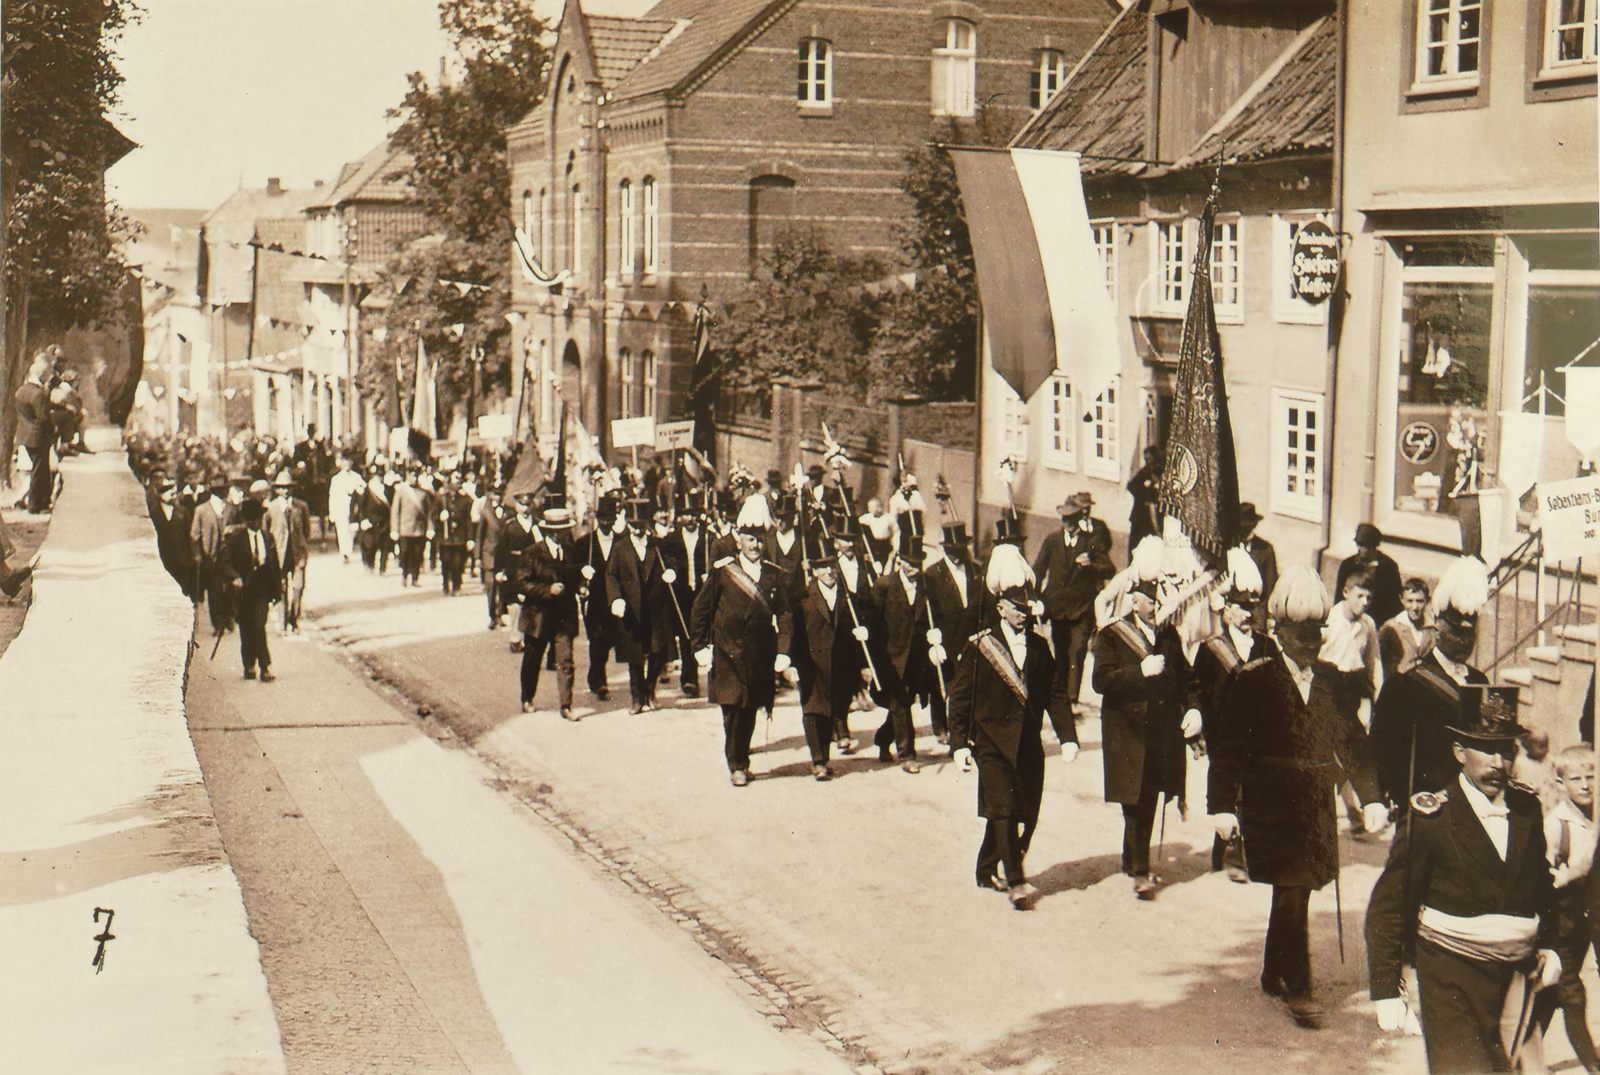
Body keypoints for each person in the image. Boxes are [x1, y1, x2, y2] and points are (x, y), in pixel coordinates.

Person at [1209, 567, 1389, 1029]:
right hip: (1269, 802)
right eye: (1298, 631)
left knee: (1300, 889)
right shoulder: (1252, 680)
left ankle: (1274, 969)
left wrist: (1370, 797)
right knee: (1291, 887)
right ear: (1277, 631)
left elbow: (1354, 742)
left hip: (1314, 803)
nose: (1308, 640)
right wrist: (1224, 805)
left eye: (1315, 631)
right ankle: (1301, 985)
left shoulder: (1333, 682)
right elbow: (1229, 746)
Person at [1366, 686, 1562, 1072]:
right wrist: (1386, 990)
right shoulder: (1432, 818)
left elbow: (1542, 887)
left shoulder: (1526, 809)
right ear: (1459, 752)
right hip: (1451, 979)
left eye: (1507, 750)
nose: (1498, 762)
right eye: (1486, 749)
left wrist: (1551, 946)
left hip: (1517, 979)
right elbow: (1390, 905)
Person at [948, 539, 1062, 909]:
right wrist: (960, 744)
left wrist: (1070, 736)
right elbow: (960, 698)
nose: (1024, 614)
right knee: (1005, 807)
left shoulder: (1041, 647)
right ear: (1000, 607)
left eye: (1027, 607)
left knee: (1025, 811)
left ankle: (986, 866)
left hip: (1027, 742)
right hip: (992, 742)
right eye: (1016, 608)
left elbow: (1055, 694)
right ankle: (1016, 880)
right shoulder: (981, 647)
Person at [1092, 536, 1192, 899]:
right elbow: (1101, 681)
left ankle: (1135, 861)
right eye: (1151, 601)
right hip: (1125, 729)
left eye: (1159, 600)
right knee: (1132, 799)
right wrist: (1140, 673)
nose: (1156, 607)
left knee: (1147, 796)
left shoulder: (1169, 637)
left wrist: (1193, 709)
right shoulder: (1113, 635)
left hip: (1159, 732)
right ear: (1135, 600)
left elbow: (1186, 680)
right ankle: (1139, 866)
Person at [690, 493, 795, 787]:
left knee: (748, 710)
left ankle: (741, 757)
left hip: (758, 656)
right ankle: (737, 763)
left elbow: (785, 614)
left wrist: (784, 651)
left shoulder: (774, 576)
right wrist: (699, 646)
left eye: (760, 539)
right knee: (732, 709)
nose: (755, 545)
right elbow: (701, 610)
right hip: (727, 653)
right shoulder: (724, 573)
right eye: (750, 539)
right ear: (739, 540)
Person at [1370, 556, 1490, 808]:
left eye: (1470, 632)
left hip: (1470, 808)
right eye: (1456, 630)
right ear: (1437, 626)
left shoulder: (1480, 682)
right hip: (1423, 808)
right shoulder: (1405, 684)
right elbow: (1383, 751)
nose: (1463, 640)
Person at [1192, 547, 1278, 881]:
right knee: (1228, 784)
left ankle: (1241, 852)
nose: (1246, 614)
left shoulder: (1266, 646)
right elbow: (1198, 689)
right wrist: (1196, 721)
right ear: (1226, 609)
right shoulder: (1212, 647)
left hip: (1257, 731)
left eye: (1251, 608)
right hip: (1222, 729)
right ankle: (1223, 844)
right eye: (1240, 608)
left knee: (1251, 786)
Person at [1533, 744, 1599, 1071]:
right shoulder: (1557, 823)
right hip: (1564, 917)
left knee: (1549, 994)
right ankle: (1593, 1064)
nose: (1586, 785)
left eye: (1591, 776)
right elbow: (1544, 879)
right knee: (1571, 993)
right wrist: (1577, 871)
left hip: (1590, 918)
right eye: (1576, 779)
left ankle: (1516, 1056)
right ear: (1561, 785)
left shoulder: (1595, 818)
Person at [1033, 492, 1116, 735]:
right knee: (1059, 652)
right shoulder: (1052, 540)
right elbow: (1038, 568)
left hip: (1082, 607)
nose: (1066, 524)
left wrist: (1091, 564)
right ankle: (1061, 697)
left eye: (1071, 519)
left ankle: (1071, 699)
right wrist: (1034, 596)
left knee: (1078, 650)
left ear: (1079, 518)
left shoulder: (1091, 542)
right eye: (1063, 520)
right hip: (1057, 607)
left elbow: (1109, 568)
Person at [792, 535, 867, 780]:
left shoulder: (848, 597)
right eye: (822, 567)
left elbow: (858, 624)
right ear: (814, 571)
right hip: (811, 663)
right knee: (814, 710)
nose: (829, 571)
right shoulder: (803, 597)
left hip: (840, 664)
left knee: (833, 709)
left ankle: (824, 754)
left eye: (832, 565)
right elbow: (793, 631)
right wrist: (791, 662)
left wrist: (861, 636)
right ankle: (819, 760)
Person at [868, 521, 936, 774]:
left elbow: (932, 617)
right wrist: (873, 661)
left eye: (917, 563)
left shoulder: (927, 586)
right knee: (899, 702)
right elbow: (874, 624)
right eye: (909, 562)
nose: (914, 568)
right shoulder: (884, 586)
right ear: (899, 562)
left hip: (916, 657)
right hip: (891, 656)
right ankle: (907, 754)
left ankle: (883, 738)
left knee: (905, 701)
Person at [514, 495, 581, 720]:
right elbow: (522, 582)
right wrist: (547, 590)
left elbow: (575, 577)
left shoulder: (570, 552)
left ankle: (566, 705)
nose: (567, 533)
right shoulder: (532, 553)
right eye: (564, 530)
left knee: (566, 661)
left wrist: (581, 587)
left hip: (564, 617)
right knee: (533, 659)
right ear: (553, 532)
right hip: (538, 617)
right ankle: (527, 697)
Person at [608, 498, 671, 714]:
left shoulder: (657, 546)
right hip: (632, 609)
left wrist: (671, 573)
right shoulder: (620, 548)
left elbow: (671, 565)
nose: (637, 529)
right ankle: (636, 697)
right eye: (633, 525)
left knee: (657, 652)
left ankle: (650, 691)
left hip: (655, 609)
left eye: (640, 525)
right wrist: (616, 598)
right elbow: (611, 575)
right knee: (635, 655)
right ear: (627, 524)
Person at [925, 523, 979, 749]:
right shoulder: (933, 573)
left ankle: (964, 729)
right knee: (943, 682)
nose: (957, 554)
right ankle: (940, 724)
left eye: (961, 549)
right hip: (944, 635)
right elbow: (929, 609)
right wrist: (933, 637)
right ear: (945, 549)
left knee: (967, 683)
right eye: (952, 550)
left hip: (969, 634)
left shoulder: (975, 569)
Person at [219, 499, 281, 681]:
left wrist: (278, 590)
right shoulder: (236, 538)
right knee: (247, 628)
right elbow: (224, 563)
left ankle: (265, 666)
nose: (256, 522)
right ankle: (249, 665)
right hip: (244, 591)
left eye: (258, 518)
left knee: (259, 625)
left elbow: (274, 565)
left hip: (263, 589)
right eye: (252, 519)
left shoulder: (267, 537)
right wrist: (235, 577)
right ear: (246, 520)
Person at [660, 497, 710, 698]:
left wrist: (710, 573)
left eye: (694, 514)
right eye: (686, 514)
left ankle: (699, 678)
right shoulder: (672, 539)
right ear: (680, 517)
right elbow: (661, 556)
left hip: (702, 593)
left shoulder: (707, 537)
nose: (691, 519)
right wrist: (670, 569)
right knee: (686, 635)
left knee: (700, 634)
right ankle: (689, 679)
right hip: (681, 594)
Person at [576, 493, 620, 699]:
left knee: (610, 639)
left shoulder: (622, 542)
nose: (606, 522)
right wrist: (582, 578)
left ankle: (595, 674)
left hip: (615, 599)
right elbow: (574, 567)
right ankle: (598, 680)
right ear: (597, 519)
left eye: (610, 518)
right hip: (594, 599)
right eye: (602, 518)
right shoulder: (586, 543)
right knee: (597, 639)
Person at [267, 471, 310, 633]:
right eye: (282, 488)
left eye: (288, 488)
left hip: (297, 554)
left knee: (298, 587)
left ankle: (294, 617)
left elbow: (306, 530)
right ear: (277, 490)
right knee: (282, 588)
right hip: (279, 555)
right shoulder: (271, 509)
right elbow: (267, 533)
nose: (285, 491)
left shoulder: (301, 507)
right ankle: (283, 621)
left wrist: (301, 546)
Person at [1337, 523, 1404, 628]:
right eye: (1359, 545)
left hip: (1380, 621)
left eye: (1366, 546)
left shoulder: (1389, 567)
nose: (1362, 549)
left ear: (1375, 546)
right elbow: (1339, 598)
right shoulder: (1348, 565)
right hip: (1352, 621)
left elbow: (1396, 602)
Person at [13, 352, 56, 514]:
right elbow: (44, 418)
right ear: (40, 374)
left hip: (25, 435)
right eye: (46, 374)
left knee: (37, 471)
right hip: (38, 437)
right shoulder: (38, 394)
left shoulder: (21, 391)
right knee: (39, 471)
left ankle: (38, 503)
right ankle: (35, 505)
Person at [1378, 577, 1437, 681]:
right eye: (1410, 601)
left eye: (1419, 601)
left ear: (1427, 601)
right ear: (1402, 600)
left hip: (1422, 686)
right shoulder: (1391, 627)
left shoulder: (1432, 629)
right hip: (1396, 685)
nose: (1415, 607)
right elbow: (1377, 658)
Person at [1238, 504, 1278, 633]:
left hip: (1256, 608)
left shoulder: (1265, 550)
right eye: (1240, 527)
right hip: (1234, 608)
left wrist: (1264, 616)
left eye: (1246, 527)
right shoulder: (1231, 547)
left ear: (1253, 526)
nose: (1242, 531)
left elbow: (1270, 585)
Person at [389, 468, 431, 587]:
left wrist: (430, 528)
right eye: (411, 476)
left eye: (416, 476)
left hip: (419, 529)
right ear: (407, 477)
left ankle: (415, 577)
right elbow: (395, 511)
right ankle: (405, 575)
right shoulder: (401, 492)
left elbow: (429, 513)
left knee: (418, 554)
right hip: (404, 528)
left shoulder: (423, 493)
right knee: (405, 554)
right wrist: (394, 529)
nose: (414, 478)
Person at [435, 474, 473, 596]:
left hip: (459, 537)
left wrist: (470, 538)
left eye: (459, 482)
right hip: (445, 538)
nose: (457, 484)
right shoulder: (441, 499)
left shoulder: (465, 499)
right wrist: (440, 517)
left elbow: (468, 520)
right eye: (455, 482)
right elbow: (432, 515)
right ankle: (446, 584)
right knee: (445, 562)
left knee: (458, 563)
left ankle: (456, 585)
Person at [327, 455, 364, 563]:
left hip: (354, 509)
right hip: (341, 507)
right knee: (342, 530)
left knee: (352, 530)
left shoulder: (357, 477)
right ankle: (345, 553)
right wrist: (332, 512)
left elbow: (363, 490)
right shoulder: (336, 479)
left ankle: (348, 550)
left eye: (349, 462)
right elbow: (332, 496)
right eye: (345, 462)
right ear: (341, 464)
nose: (347, 464)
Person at [1126, 446, 1164, 547]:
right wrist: (1147, 493)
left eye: (1149, 459)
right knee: (1135, 546)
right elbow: (1131, 486)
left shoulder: (1161, 473)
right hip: (1140, 516)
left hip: (1155, 517)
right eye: (1145, 459)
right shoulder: (1144, 472)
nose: (1147, 462)